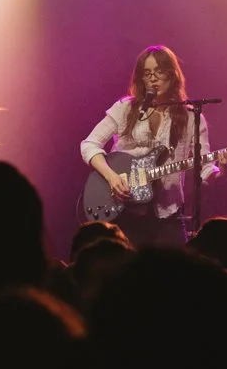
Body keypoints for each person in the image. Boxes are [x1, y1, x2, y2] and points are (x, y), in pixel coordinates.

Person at [79, 44, 218, 249]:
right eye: (147, 73)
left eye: (159, 72)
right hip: (125, 209)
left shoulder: (190, 116)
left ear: (172, 75)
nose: (153, 79)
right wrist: (112, 177)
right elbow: (89, 145)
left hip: (168, 211)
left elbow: (204, 167)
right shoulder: (125, 108)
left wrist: (221, 170)